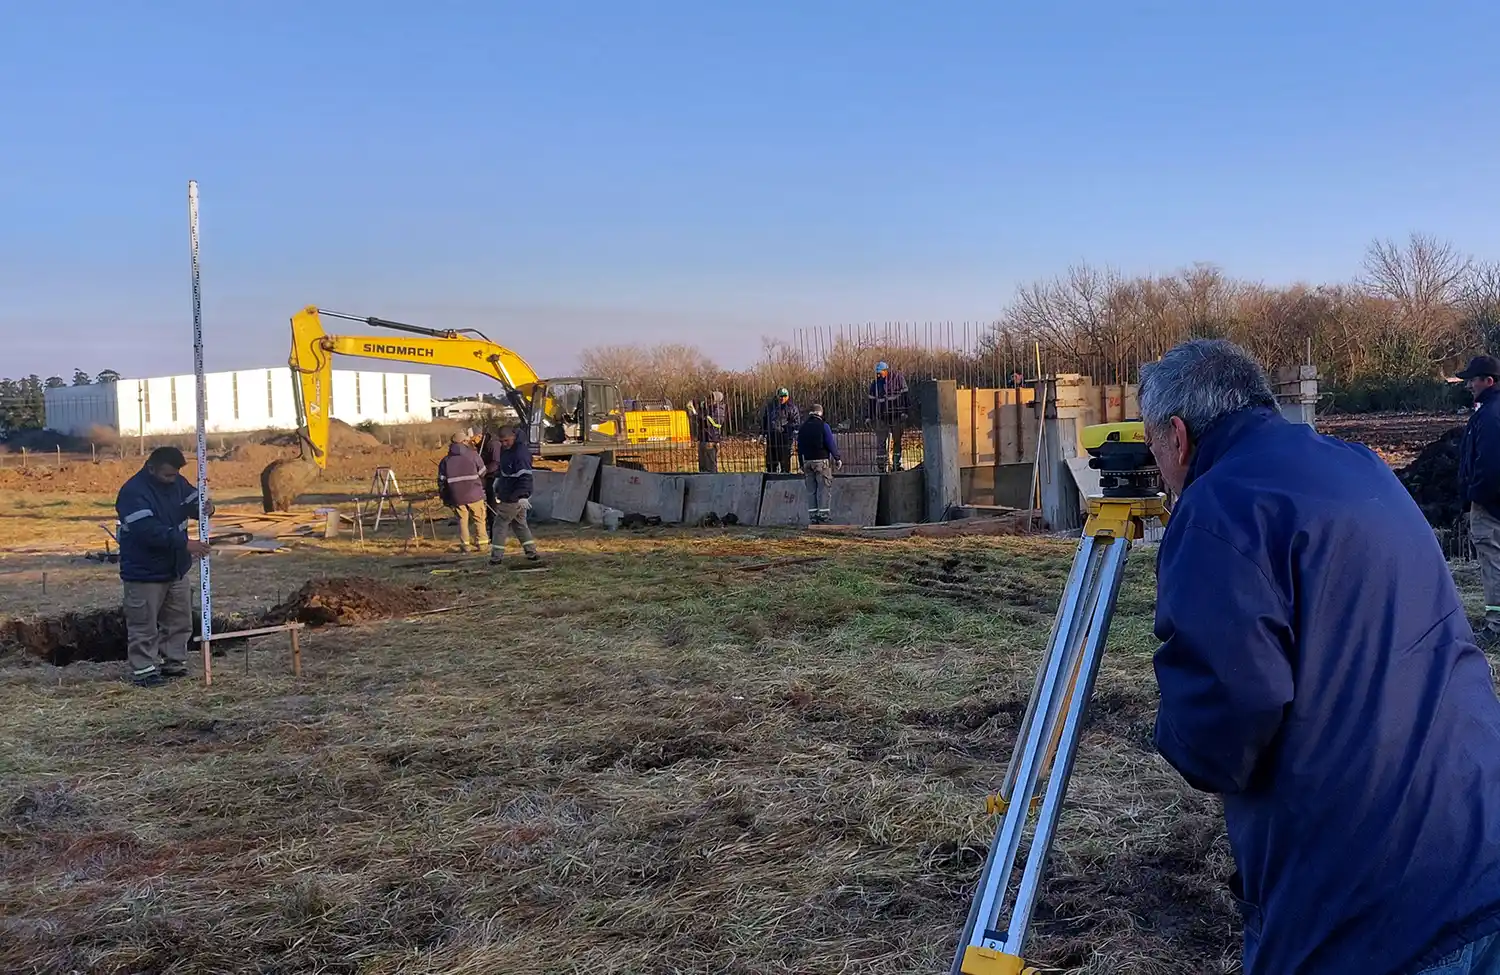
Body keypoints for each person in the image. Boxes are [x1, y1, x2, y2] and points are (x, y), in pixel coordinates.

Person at [1142, 338, 1500, 975]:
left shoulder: (1219, 506)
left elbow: (1222, 725)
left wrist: (1168, 729)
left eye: (1152, 447)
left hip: (1371, 903)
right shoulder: (1358, 465)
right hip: (1476, 835)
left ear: (1177, 434)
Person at [115, 446, 213, 687]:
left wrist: (206, 508)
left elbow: (193, 501)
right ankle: (144, 670)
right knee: (144, 623)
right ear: (151, 468)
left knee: (179, 620)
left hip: (175, 569)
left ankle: (174, 663)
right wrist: (185, 543)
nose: (173, 479)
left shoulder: (177, 482)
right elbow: (147, 530)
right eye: (168, 475)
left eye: (175, 474)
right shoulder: (133, 493)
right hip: (144, 571)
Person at [1458, 354, 1500, 646]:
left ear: (1489, 381)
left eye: (1473, 379)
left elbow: (1490, 466)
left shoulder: (1489, 416)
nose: (1469, 385)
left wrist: (1476, 498)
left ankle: (1496, 627)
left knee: (1492, 563)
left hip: (1490, 506)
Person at [489, 425, 544, 569]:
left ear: (513, 437)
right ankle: (531, 553)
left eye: (506, 440)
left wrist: (523, 495)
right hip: (513, 494)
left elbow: (525, 476)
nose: (503, 444)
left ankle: (496, 557)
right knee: (519, 524)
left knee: (500, 524)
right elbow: (505, 472)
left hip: (513, 496)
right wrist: (498, 480)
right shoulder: (509, 451)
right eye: (501, 441)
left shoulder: (519, 454)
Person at [436, 432, 489, 553]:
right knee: (479, 518)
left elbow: (441, 480)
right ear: (464, 442)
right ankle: (483, 545)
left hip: (457, 495)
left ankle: (465, 545)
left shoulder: (446, 460)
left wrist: (445, 496)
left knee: (462, 520)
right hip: (474, 493)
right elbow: (483, 472)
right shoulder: (473, 455)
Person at [796, 404, 841, 524]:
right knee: (824, 488)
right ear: (820, 413)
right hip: (821, 461)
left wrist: (801, 462)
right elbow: (830, 443)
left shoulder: (803, 428)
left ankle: (813, 516)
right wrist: (837, 458)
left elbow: (799, 448)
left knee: (811, 490)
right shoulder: (823, 426)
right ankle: (824, 514)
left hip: (807, 462)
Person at [867, 361, 910, 472]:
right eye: (877, 373)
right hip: (882, 417)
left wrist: (905, 412)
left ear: (886, 371)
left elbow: (905, 396)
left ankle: (896, 464)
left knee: (897, 441)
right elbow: (871, 402)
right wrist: (869, 417)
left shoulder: (898, 379)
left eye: (880, 373)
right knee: (881, 442)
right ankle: (882, 467)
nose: (878, 375)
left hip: (897, 415)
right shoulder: (875, 384)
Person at [762, 387, 801, 473]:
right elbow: (765, 420)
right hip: (771, 438)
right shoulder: (770, 407)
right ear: (777, 396)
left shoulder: (792, 408)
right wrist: (763, 433)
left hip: (785, 439)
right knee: (771, 464)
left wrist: (786, 429)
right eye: (781, 396)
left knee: (785, 463)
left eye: (784, 396)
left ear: (788, 396)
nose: (782, 398)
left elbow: (796, 423)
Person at [690, 390, 727, 473]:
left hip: (710, 440)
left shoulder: (719, 410)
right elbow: (701, 418)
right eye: (709, 398)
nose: (709, 400)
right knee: (702, 465)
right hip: (703, 439)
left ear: (717, 400)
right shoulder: (709, 408)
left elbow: (709, 422)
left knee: (710, 466)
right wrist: (696, 406)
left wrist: (696, 413)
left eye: (711, 398)